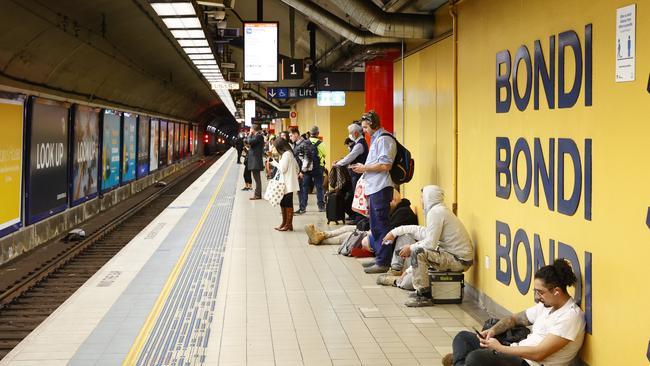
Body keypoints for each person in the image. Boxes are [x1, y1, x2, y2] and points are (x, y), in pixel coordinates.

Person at [442, 259, 585, 366]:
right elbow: (513, 319)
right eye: (535, 292)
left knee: (475, 358)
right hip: (516, 351)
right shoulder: (546, 306)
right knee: (463, 338)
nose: (537, 297)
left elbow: (539, 353)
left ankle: (458, 361)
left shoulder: (570, 317)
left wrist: (500, 348)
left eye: (540, 292)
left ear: (556, 291)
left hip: (531, 363)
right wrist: (492, 331)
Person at [376, 186, 474, 306]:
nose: (421, 200)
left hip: (459, 261)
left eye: (422, 197)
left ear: (429, 197)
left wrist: (410, 248)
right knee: (416, 253)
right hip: (455, 257)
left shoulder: (436, 212)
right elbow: (423, 232)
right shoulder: (439, 211)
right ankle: (415, 288)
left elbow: (430, 244)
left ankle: (423, 296)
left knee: (418, 252)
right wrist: (395, 232)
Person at [351, 111, 397, 274]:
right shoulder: (377, 138)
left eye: (365, 127)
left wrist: (364, 168)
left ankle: (384, 261)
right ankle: (379, 258)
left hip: (381, 188)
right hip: (375, 187)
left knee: (381, 225)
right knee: (375, 226)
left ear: (373, 125)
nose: (364, 130)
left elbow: (386, 165)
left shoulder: (384, 139)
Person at [305, 188, 417, 246]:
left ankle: (320, 240)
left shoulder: (403, 213)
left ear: (393, 201)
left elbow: (388, 230)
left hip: (382, 238)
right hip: (378, 234)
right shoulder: (398, 210)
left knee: (352, 235)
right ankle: (322, 235)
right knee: (350, 229)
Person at [334, 122, 369, 223]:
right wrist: (339, 161)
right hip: (355, 173)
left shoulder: (359, 145)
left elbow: (350, 157)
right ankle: (355, 216)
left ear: (356, 133)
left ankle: (359, 218)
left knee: (358, 196)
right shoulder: (358, 143)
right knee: (354, 195)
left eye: (350, 133)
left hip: (358, 174)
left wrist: (338, 164)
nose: (349, 135)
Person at [270, 138, 300, 231]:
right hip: (287, 182)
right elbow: (297, 168)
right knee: (283, 202)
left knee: (287, 203)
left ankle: (288, 224)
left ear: (280, 146)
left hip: (287, 183)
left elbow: (283, 169)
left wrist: (274, 163)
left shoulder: (287, 154)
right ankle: (285, 223)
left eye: (276, 147)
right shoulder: (289, 154)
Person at [301, 125, 326, 212]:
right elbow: (324, 154)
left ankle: (303, 207)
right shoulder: (321, 143)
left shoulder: (304, 143)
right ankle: (321, 207)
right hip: (318, 168)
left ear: (310, 133)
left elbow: (302, 155)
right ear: (318, 133)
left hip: (307, 168)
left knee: (305, 187)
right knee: (319, 187)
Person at [289, 127, 314, 214]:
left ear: (296, 134)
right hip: (300, 171)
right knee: (300, 190)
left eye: (291, 135)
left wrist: (302, 171)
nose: (290, 137)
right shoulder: (296, 144)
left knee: (303, 190)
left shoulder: (304, 144)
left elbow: (307, 159)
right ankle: (301, 207)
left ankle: (302, 208)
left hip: (304, 172)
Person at [246, 125, 264, 200]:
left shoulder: (258, 136)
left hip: (255, 161)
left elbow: (249, 141)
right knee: (257, 178)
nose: (250, 130)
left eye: (251, 129)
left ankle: (257, 195)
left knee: (257, 179)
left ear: (253, 129)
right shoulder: (257, 136)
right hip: (255, 160)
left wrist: (250, 134)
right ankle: (258, 194)